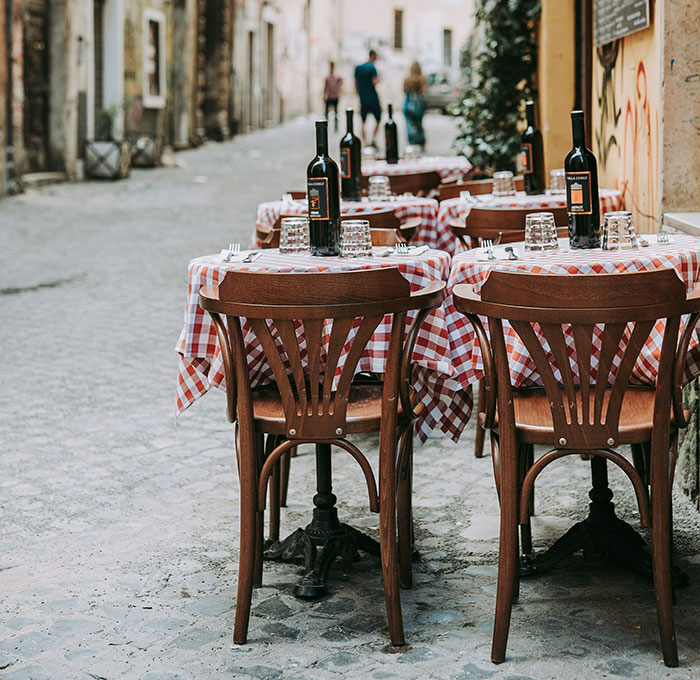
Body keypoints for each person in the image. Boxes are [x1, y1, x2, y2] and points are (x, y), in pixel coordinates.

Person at [354, 50, 381, 146]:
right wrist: (379, 79)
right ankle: (373, 139)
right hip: (373, 98)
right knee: (378, 119)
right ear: (373, 56)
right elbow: (375, 81)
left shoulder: (358, 68)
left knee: (363, 121)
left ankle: (365, 142)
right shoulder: (372, 67)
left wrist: (359, 93)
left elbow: (356, 83)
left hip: (363, 98)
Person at [403, 61, 427, 149]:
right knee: (419, 124)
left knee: (409, 124)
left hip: (408, 104)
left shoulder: (407, 79)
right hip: (418, 105)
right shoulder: (422, 79)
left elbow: (404, 90)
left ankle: (411, 142)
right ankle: (421, 143)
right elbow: (423, 92)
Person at [323, 62, 343, 131]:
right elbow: (325, 87)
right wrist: (324, 95)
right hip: (329, 97)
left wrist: (340, 92)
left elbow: (341, 84)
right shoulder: (327, 78)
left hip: (335, 97)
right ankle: (325, 126)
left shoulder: (337, 77)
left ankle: (336, 127)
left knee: (336, 113)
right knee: (326, 113)